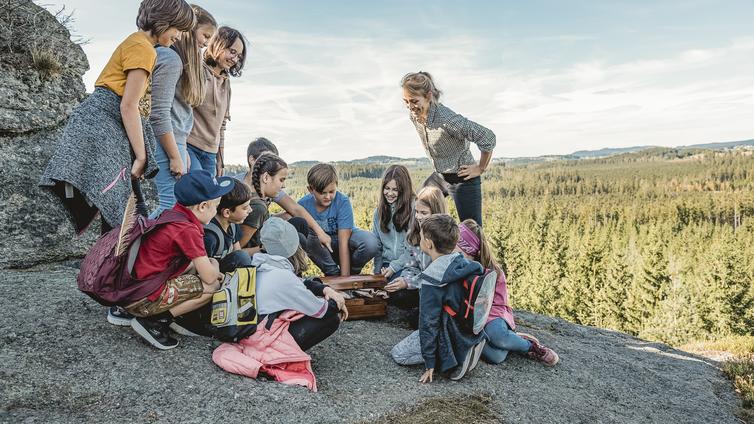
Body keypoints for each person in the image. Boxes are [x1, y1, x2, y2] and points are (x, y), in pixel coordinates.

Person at [40, 0, 196, 234]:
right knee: (124, 211)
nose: (180, 36)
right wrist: (142, 156)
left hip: (105, 123)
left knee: (127, 211)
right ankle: (115, 264)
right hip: (103, 122)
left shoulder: (139, 44)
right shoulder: (143, 48)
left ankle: (116, 263)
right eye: (178, 28)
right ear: (164, 22)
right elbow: (129, 105)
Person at [125, 170, 232, 350]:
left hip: (135, 289)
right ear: (203, 206)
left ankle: (165, 314)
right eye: (216, 206)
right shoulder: (187, 229)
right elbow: (209, 278)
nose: (216, 211)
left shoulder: (175, 214)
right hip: (143, 299)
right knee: (211, 288)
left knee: (195, 269)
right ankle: (155, 322)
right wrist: (215, 264)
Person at [390, 214, 486, 382]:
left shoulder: (431, 279)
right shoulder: (461, 262)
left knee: (398, 354)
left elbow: (429, 322)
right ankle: (468, 344)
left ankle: (456, 356)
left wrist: (430, 362)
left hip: (446, 331)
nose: (419, 239)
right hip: (463, 325)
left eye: (421, 237)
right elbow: (479, 268)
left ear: (429, 243)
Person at [456, 219, 559, 366]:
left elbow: (498, 304)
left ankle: (530, 347)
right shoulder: (457, 268)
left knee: (497, 335)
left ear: (472, 252)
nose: (454, 254)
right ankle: (513, 340)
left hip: (493, 314)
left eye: (459, 251)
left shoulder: (493, 272)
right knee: (496, 357)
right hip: (472, 319)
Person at [401, 71, 496, 226]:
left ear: (428, 96)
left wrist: (480, 168)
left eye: (414, 101)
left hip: (463, 178)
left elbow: (488, 137)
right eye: (405, 101)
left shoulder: (446, 119)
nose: (410, 107)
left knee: (471, 232)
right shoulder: (415, 115)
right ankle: (424, 248)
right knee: (415, 209)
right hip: (440, 176)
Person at [149, 5, 217, 218]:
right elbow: (159, 113)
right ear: (188, 30)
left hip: (177, 141)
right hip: (164, 140)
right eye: (205, 35)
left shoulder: (185, 65)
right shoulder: (170, 59)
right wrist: (174, 154)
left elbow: (180, 113)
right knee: (169, 205)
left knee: (174, 206)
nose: (206, 43)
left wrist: (182, 150)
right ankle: (125, 247)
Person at [252, 217, 348, 351]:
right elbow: (322, 310)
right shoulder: (285, 278)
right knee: (332, 319)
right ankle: (283, 353)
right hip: (264, 340)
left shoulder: (260, 264)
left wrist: (325, 289)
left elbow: (302, 282)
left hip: (254, 330)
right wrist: (338, 301)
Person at [241, 137, 333, 253]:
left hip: (259, 225)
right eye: (266, 160)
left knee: (294, 219)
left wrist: (321, 233)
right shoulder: (241, 188)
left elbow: (295, 208)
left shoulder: (268, 188)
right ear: (252, 160)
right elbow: (238, 245)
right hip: (250, 239)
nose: (271, 163)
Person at [298, 163, 380, 276]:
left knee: (371, 243)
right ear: (311, 189)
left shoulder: (342, 201)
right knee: (304, 236)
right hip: (320, 247)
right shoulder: (303, 205)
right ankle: (332, 272)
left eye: (331, 192)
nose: (328, 197)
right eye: (322, 193)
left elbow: (343, 241)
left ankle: (353, 271)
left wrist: (345, 277)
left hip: (343, 240)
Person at [186, 26, 246, 176]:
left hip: (210, 153)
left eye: (238, 55)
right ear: (218, 44)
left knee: (209, 197)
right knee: (197, 189)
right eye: (232, 51)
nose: (235, 59)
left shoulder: (226, 83)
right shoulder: (197, 70)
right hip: (189, 145)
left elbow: (222, 124)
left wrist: (220, 159)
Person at [383, 186, 446, 310]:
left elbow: (437, 276)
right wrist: (404, 280)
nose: (418, 217)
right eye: (417, 212)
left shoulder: (445, 238)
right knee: (396, 295)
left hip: (438, 288)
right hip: (419, 284)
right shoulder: (414, 234)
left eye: (424, 213)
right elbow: (411, 265)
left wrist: (408, 283)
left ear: (436, 213)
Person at [371, 165, 415, 275]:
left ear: (403, 190)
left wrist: (394, 267)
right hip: (387, 265)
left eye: (395, 190)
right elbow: (378, 248)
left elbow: (413, 248)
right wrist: (377, 274)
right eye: (387, 188)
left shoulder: (413, 210)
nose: (390, 194)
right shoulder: (378, 213)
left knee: (399, 291)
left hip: (409, 263)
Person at [204, 177, 254, 273]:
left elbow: (237, 250)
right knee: (243, 257)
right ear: (227, 212)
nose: (250, 210)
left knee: (243, 257)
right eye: (245, 208)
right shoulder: (210, 237)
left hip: (222, 267)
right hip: (211, 273)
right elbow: (202, 269)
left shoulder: (232, 225)